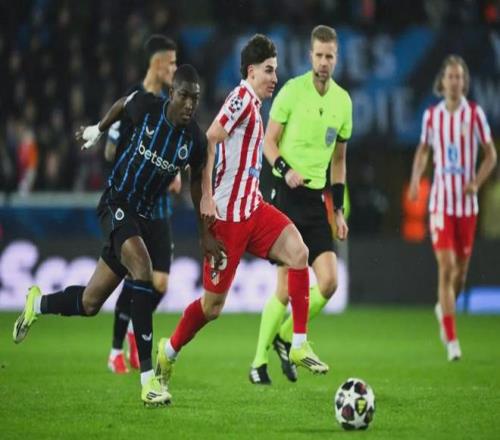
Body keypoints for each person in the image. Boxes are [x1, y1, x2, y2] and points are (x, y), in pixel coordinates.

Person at [12, 65, 222, 407]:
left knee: (89, 303)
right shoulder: (149, 108)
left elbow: (198, 184)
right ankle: (148, 380)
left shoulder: (194, 140)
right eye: (184, 96)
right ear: (172, 93)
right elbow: (124, 103)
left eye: (195, 99)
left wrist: (204, 234)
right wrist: (98, 129)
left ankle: (37, 303)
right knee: (143, 269)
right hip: (115, 202)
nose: (189, 104)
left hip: (142, 218)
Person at [154, 34, 329, 397]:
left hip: (254, 208)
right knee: (212, 307)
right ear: (251, 71)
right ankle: (168, 351)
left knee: (299, 252)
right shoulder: (240, 99)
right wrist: (206, 196)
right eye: (268, 70)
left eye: (275, 70)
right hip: (228, 220)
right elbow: (211, 137)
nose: (274, 78)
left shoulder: (256, 104)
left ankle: (298, 343)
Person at [248, 25, 352, 384]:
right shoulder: (292, 91)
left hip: (316, 200)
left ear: (336, 58)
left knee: (329, 282)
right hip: (286, 196)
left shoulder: (343, 102)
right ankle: (258, 362)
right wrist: (285, 169)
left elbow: (339, 160)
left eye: (329, 56)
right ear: (311, 56)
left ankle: (286, 336)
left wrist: (338, 210)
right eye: (319, 55)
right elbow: (268, 142)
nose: (323, 62)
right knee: (283, 287)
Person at [409, 55, 497, 361]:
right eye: (451, 76)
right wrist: (415, 178)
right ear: (442, 82)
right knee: (446, 268)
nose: (455, 82)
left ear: (464, 82)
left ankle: (443, 308)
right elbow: (423, 150)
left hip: (467, 206)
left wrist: (476, 182)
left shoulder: (474, 114)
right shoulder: (432, 116)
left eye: (460, 77)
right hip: (441, 203)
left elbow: (491, 155)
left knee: (460, 274)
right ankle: (452, 339)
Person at [105, 35, 182, 374]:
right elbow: (110, 151)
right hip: (134, 205)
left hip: (161, 207)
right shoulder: (133, 99)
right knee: (135, 276)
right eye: (172, 62)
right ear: (158, 63)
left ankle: (134, 334)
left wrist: (174, 172)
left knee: (159, 283)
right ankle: (115, 351)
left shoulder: (169, 103)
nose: (175, 69)